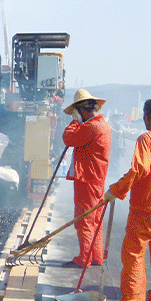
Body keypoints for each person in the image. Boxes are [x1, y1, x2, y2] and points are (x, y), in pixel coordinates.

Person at [103, 98, 151, 301]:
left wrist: (115, 190)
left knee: (134, 253)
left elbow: (139, 169)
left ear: (148, 116)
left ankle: (132, 300)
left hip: (146, 208)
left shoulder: (147, 139)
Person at [61, 89, 110, 268]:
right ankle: (95, 256)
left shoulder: (91, 127)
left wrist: (74, 122)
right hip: (97, 180)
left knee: (84, 220)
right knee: (95, 220)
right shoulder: (102, 125)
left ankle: (84, 259)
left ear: (82, 111)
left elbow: (69, 139)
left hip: (87, 180)